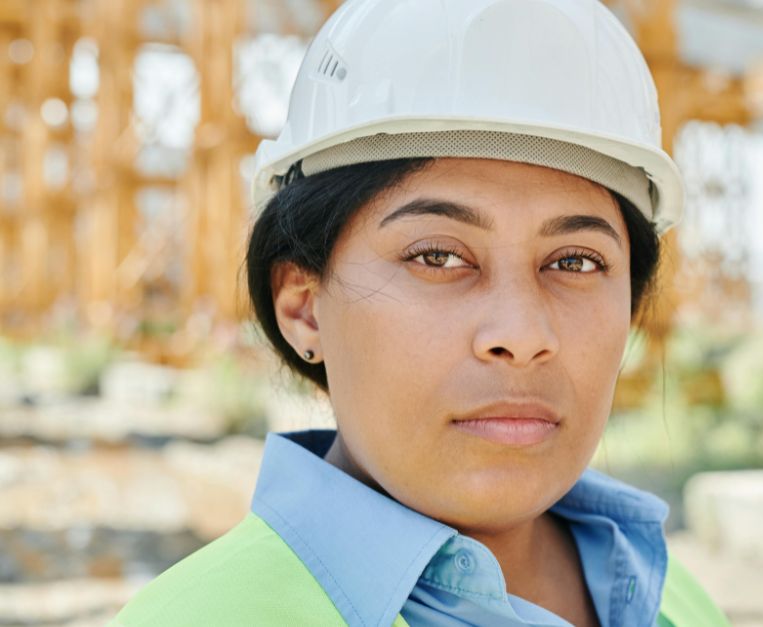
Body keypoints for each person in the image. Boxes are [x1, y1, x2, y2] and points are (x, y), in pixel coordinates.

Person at [113, 0, 729, 625]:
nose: (520, 336)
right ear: (304, 307)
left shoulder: (672, 599)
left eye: (575, 262)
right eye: (437, 255)